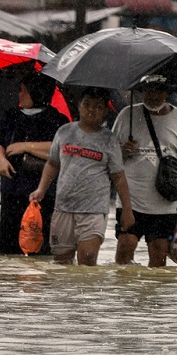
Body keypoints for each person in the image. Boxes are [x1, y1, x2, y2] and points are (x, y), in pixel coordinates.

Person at [29, 87, 134, 266]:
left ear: (105, 112)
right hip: (63, 206)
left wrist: (127, 210)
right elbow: (52, 163)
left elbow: (118, 177)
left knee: (87, 259)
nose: (91, 110)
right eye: (87, 104)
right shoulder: (64, 132)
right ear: (79, 106)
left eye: (98, 107)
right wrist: (41, 189)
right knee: (61, 262)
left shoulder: (109, 140)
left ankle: (87, 295)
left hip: (93, 210)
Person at [112, 75, 177, 267]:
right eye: (148, 90)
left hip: (165, 201)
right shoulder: (126, 115)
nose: (152, 95)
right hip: (130, 199)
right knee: (125, 247)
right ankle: (124, 295)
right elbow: (109, 153)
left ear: (167, 92)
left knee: (159, 254)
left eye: (158, 90)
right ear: (141, 91)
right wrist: (122, 151)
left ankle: (154, 297)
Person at [0, 72, 67, 255]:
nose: (20, 95)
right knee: (7, 250)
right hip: (12, 193)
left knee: (40, 250)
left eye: (24, 91)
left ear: (37, 92)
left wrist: (26, 146)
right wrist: (0, 159)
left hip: (43, 198)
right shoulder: (11, 115)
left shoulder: (57, 120)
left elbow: (59, 149)